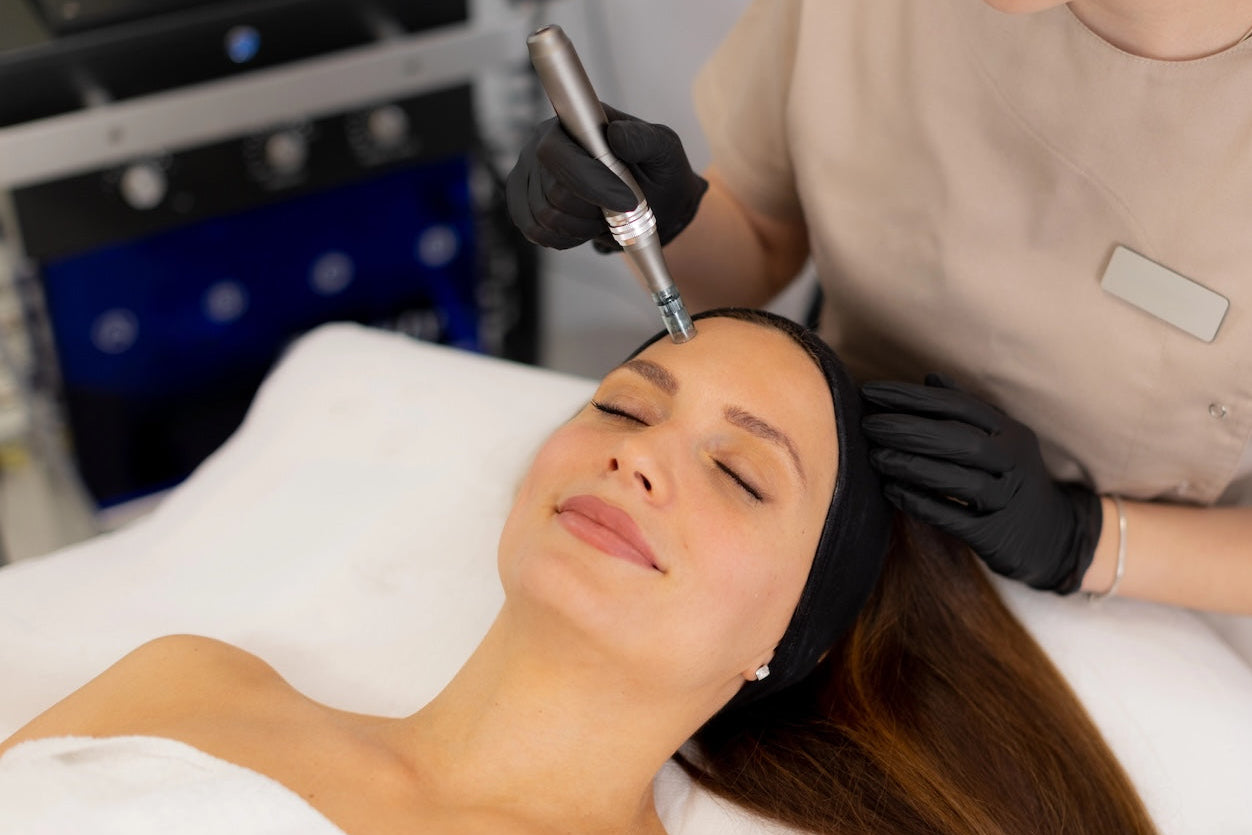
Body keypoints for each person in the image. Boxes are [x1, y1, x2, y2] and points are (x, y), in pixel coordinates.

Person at [0, 309, 1155, 833]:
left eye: (739, 474)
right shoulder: (188, 680)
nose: (637, 456)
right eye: (621, 407)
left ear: (782, 639)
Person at [507, 0, 1252, 614]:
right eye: (626, 411)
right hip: (834, 528)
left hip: (1141, 588)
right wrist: (664, 216)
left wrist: (1079, 540)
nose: (634, 460)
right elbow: (761, 239)